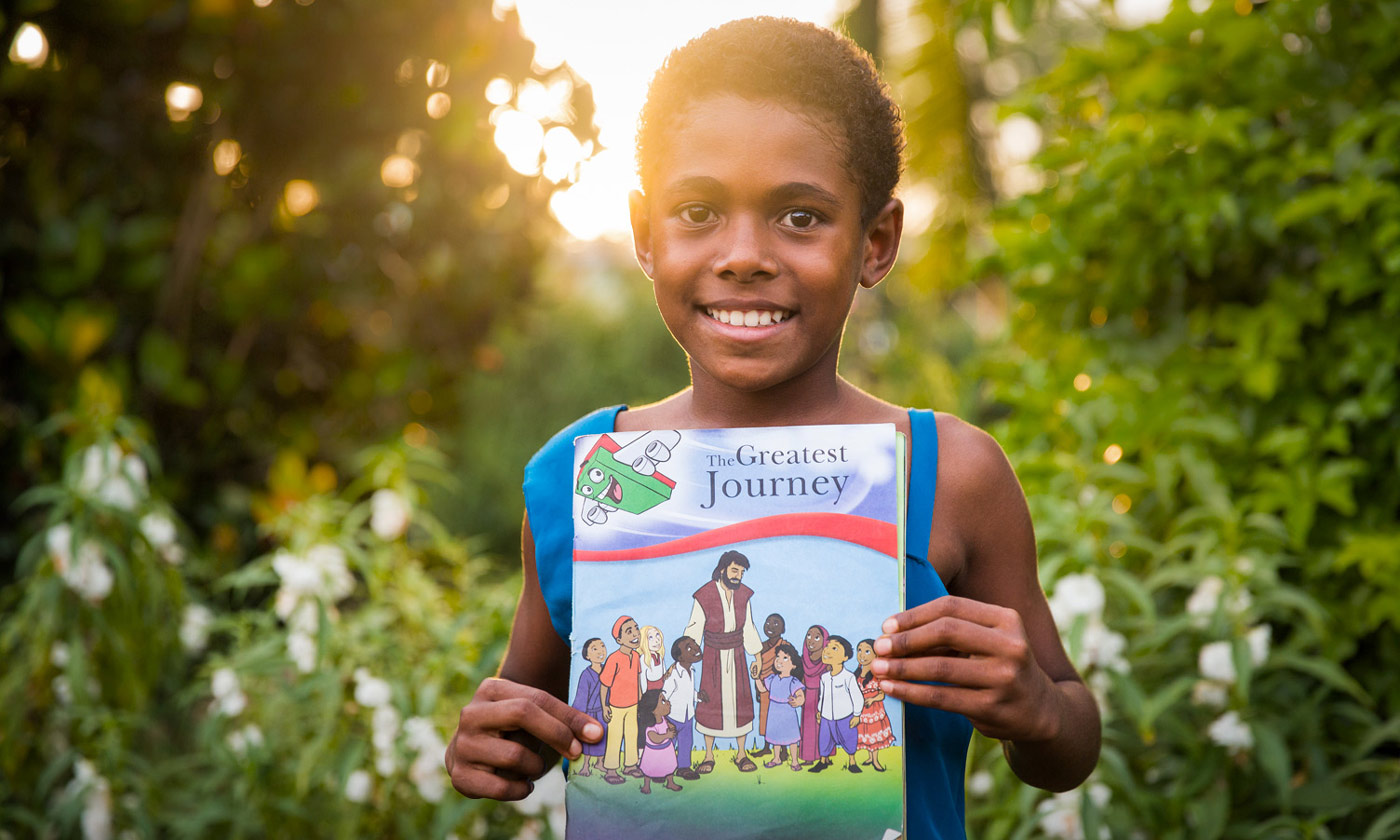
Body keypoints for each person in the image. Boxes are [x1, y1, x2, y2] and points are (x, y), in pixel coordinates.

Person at [445, 16, 1101, 840]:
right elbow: (535, 715)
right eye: (698, 211)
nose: (745, 254)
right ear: (645, 233)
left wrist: (1034, 707)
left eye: (800, 217)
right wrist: (494, 744)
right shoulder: (580, 475)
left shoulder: (953, 473)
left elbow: (1070, 743)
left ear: (876, 241)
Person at [682, 550, 763, 773]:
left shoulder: (744, 595)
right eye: (735, 570)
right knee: (710, 703)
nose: (738, 575)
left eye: (742, 572)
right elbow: (694, 628)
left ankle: (741, 754)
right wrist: (686, 658)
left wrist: (756, 657)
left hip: (737, 655)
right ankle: (708, 756)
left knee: (741, 703)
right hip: (712, 656)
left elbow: (749, 627)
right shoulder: (704, 595)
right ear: (723, 568)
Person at [599, 615, 644, 784]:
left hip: (633, 704)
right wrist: (604, 706)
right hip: (616, 706)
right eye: (629, 631)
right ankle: (611, 770)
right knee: (615, 736)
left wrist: (639, 697)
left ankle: (630, 765)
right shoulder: (614, 659)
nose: (635, 634)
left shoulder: (637, 656)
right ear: (619, 639)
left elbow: (637, 678)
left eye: (636, 628)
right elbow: (604, 684)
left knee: (632, 734)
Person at [810, 635, 864, 773]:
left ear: (845, 657)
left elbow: (857, 697)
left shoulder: (848, 677)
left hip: (845, 716)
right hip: (827, 716)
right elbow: (822, 696)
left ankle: (852, 762)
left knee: (849, 738)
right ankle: (823, 761)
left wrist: (857, 715)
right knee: (824, 739)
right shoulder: (824, 677)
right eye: (827, 647)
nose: (827, 651)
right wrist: (819, 711)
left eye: (834, 648)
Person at [660, 636, 706, 780]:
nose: (696, 648)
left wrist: (697, 696)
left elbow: (686, 692)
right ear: (680, 657)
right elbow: (664, 695)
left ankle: (683, 768)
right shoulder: (673, 674)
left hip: (687, 716)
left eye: (695, 644)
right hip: (672, 717)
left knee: (686, 742)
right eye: (689, 647)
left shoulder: (691, 670)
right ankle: (662, 769)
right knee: (668, 744)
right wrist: (662, 717)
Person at [761, 641, 805, 770]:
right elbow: (763, 689)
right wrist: (756, 678)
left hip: (788, 714)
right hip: (774, 713)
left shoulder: (793, 681)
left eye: (785, 658)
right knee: (775, 738)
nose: (779, 661)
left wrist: (798, 701)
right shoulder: (772, 679)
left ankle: (795, 761)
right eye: (778, 657)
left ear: (794, 665)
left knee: (791, 739)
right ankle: (776, 758)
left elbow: (800, 695)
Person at [853, 638, 895, 772]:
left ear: (875, 655)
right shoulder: (857, 674)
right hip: (862, 710)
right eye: (859, 650)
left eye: (867, 651)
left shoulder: (877, 675)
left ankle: (875, 760)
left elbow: (882, 694)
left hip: (874, 710)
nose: (862, 655)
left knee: (874, 734)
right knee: (866, 734)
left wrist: (872, 700)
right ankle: (870, 758)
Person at [569, 637, 609, 777]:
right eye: (595, 649)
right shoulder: (586, 674)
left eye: (602, 646)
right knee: (588, 742)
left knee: (604, 738)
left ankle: (600, 763)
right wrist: (578, 714)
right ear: (587, 655)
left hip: (603, 710)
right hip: (590, 712)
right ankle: (585, 766)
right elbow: (582, 695)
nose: (600, 651)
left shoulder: (607, 671)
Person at [750, 612, 788, 760]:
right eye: (768, 622)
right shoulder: (760, 648)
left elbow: (793, 665)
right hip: (764, 688)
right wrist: (757, 690)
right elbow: (757, 670)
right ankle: (766, 747)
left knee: (781, 719)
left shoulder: (785, 646)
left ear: (783, 629)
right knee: (766, 719)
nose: (770, 626)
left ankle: (784, 749)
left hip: (781, 688)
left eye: (776, 623)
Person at [636, 689, 683, 794]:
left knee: (670, 767)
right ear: (652, 708)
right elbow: (654, 738)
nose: (667, 703)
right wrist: (666, 735)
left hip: (667, 751)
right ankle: (646, 786)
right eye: (662, 701)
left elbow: (669, 725)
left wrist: (672, 727)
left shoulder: (663, 719)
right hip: (653, 752)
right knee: (648, 771)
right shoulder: (650, 726)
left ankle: (670, 782)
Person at [797, 623, 828, 765]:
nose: (811, 640)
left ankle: (826, 757)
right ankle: (809, 757)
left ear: (824, 641)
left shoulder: (828, 661)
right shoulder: (803, 660)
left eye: (816, 637)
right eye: (808, 635)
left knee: (825, 727)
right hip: (808, 696)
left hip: (823, 697)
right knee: (809, 728)